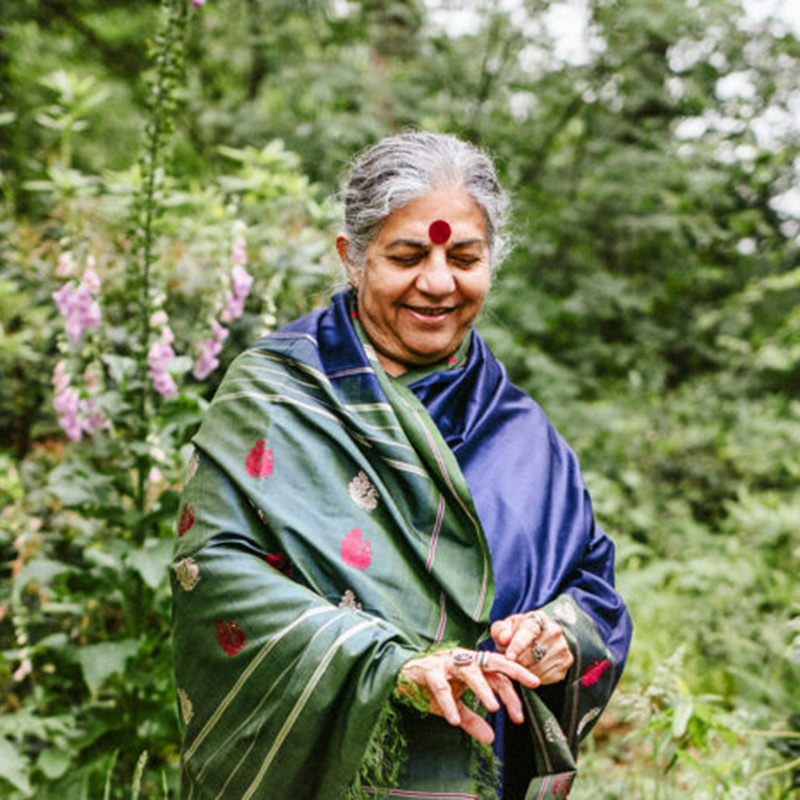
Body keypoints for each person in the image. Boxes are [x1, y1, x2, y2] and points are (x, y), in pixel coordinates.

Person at [171, 132, 632, 800]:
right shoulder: (275, 397)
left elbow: (593, 589)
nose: (438, 282)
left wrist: (559, 634)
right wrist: (386, 667)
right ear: (351, 259)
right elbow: (214, 577)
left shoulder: (522, 433)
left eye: (465, 257)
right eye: (408, 255)